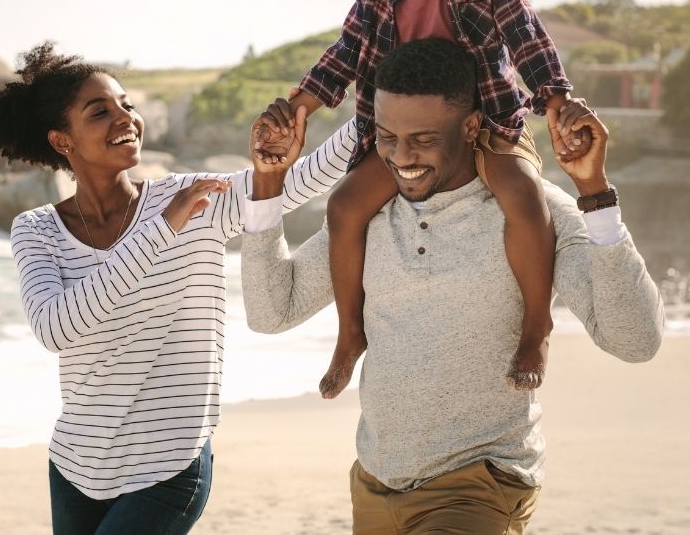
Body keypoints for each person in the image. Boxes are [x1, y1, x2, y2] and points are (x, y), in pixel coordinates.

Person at [242, 38, 664, 534]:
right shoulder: (368, 214)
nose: (401, 156)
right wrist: (268, 183)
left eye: (423, 139)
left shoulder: (535, 213)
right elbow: (272, 313)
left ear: (469, 127)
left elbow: (635, 341)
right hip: (376, 481)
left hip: (479, 482)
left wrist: (594, 191)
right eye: (387, 137)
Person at [255, 0, 591, 398]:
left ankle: (536, 328)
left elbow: (528, 43)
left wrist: (557, 100)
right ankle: (350, 333)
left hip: (487, 125)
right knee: (344, 206)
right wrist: (301, 106)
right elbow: (344, 54)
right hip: (405, 137)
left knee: (524, 196)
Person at [0, 42, 356, 535]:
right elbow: (56, 328)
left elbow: (299, 180)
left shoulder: (193, 198)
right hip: (76, 467)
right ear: (62, 140)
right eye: (100, 112)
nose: (125, 119)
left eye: (127, 105)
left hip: (169, 467)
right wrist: (162, 229)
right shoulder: (37, 230)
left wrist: (379, 111)